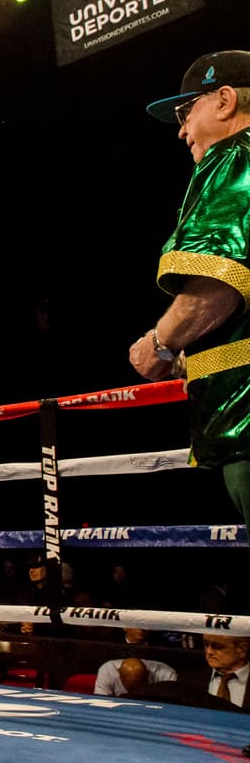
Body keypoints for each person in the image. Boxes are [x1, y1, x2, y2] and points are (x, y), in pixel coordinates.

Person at [130, 51, 250, 559]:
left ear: (224, 100)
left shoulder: (235, 157)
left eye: (186, 113)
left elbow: (216, 284)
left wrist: (159, 344)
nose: (182, 132)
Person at [94, 655, 177, 697]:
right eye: (129, 687)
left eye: (136, 687)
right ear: (119, 675)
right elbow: (101, 703)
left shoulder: (166, 675)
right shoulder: (108, 671)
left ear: (147, 675)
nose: (133, 693)